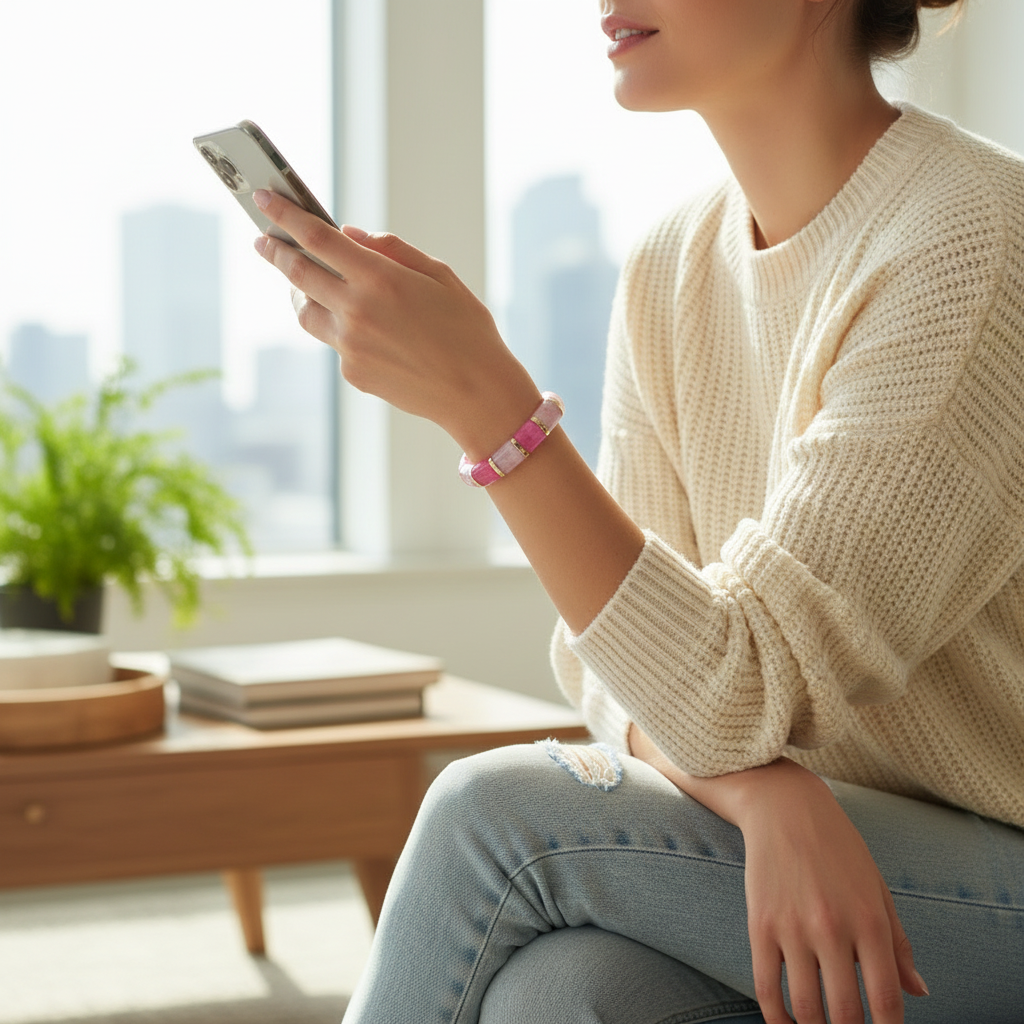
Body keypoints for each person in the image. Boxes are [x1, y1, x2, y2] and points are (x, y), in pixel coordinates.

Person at [252, 0, 1024, 1019]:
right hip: (808, 844)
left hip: (995, 856)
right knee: (560, 989)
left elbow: (733, 684)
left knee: (496, 816)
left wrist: (488, 407)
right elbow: (616, 666)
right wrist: (761, 790)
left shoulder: (977, 239)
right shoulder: (671, 262)